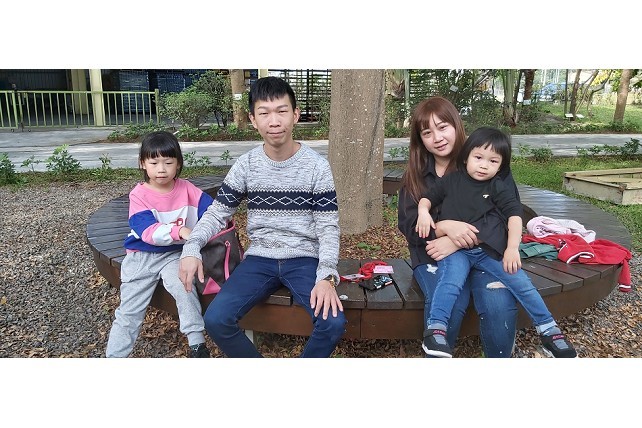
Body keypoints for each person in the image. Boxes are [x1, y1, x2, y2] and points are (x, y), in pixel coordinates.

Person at [179, 76, 346, 358]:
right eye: (264, 113)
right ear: (253, 120)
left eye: (282, 111)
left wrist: (327, 276)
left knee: (333, 323)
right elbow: (217, 213)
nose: (274, 121)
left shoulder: (317, 167)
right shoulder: (246, 165)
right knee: (217, 319)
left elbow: (328, 227)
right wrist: (191, 246)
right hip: (259, 259)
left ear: (295, 115)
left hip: (304, 258)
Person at [415, 126, 577, 358]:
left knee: (520, 282)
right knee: (450, 282)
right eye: (478, 157)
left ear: (500, 166)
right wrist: (423, 212)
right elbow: (427, 199)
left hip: (488, 250)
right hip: (456, 252)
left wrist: (512, 249)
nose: (484, 165)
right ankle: (436, 329)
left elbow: (514, 216)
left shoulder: (498, 186)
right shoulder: (451, 181)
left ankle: (549, 331)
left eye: (493, 161)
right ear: (466, 157)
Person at [398, 97, 519, 358]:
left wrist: (456, 239)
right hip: (433, 256)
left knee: (499, 302)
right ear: (420, 140)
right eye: (427, 133)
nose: (437, 138)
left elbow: (506, 215)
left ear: (456, 125)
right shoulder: (416, 176)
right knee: (450, 302)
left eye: (443, 127)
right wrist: (444, 227)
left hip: (486, 252)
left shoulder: (485, 162)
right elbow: (409, 226)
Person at [106, 131, 213, 358]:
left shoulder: (188, 190)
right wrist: (179, 230)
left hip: (175, 254)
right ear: (143, 164)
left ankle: (197, 344)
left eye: (168, 162)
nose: (161, 169)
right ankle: (115, 356)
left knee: (184, 287)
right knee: (129, 311)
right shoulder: (139, 195)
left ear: (178, 163)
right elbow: (148, 232)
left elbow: (213, 212)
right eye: (154, 163)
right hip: (142, 256)